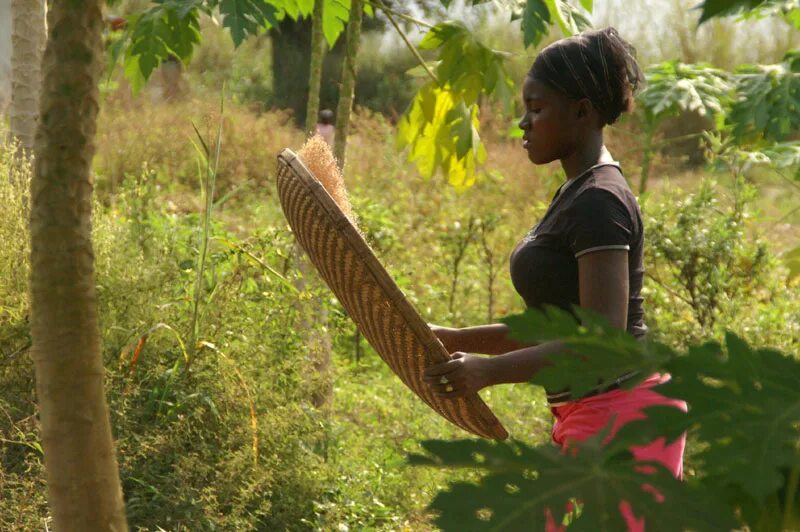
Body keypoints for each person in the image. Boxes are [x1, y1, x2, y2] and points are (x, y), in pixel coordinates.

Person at [422, 27, 686, 531]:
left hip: (623, 417)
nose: (523, 123)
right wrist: (457, 339)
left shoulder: (599, 201)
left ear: (582, 111)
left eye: (536, 109)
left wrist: (488, 371)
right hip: (590, 412)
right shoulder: (577, 192)